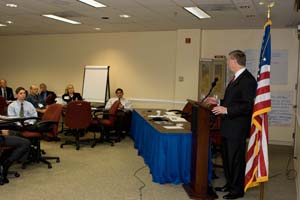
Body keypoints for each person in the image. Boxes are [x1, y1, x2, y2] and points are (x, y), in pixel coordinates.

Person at [204, 50, 257, 199]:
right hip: (228, 127)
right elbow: (233, 101)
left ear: (235, 61)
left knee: (235, 159)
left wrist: (226, 110)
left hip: (237, 128)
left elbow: (247, 106)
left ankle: (237, 190)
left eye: (228, 60)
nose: (227, 63)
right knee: (227, 158)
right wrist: (218, 102)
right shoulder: (235, 78)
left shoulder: (247, 80)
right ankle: (230, 184)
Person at [0, 87, 37, 185]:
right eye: (21, 93)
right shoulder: (12, 105)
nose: (23, 95)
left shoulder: (29, 104)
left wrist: (29, 123)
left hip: (27, 125)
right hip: (16, 126)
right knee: (19, 137)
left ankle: (13, 160)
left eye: (24, 93)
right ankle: (8, 162)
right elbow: (11, 119)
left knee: (23, 139)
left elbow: (34, 115)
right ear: (16, 95)